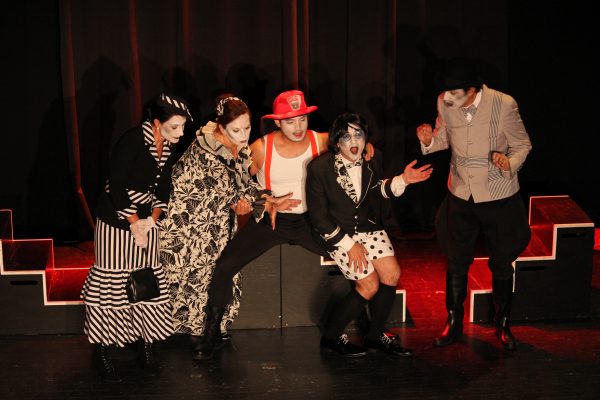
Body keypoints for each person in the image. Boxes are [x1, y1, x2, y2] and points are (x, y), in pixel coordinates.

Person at [194, 90, 366, 360]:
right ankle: (211, 332)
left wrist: (366, 148)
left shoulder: (321, 140)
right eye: (290, 121)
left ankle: (352, 328)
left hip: (312, 222)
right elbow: (235, 182)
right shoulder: (261, 148)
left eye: (302, 119)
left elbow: (355, 144)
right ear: (277, 122)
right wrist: (256, 202)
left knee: (357, 263)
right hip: (272, 221)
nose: (298, 127)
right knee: (225, 265)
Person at [160, 94, 290, 357]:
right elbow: (230, 193)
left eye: (247, 128)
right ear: (220, 127)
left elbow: (242, 185)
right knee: (199, 275)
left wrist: (267, 199)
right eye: (236, 130)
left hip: (214, 220)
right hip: (190, 226)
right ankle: (200, 331)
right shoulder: (205, 151)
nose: (243, 135)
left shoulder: (235, 146)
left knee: (219, 271)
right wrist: (264, 202)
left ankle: (214, 326)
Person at [416, 58, 532, 351]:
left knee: (501, 261)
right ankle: (453, 321)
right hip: (461, 192)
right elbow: (444, 138)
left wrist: (509, 162)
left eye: (455, 93)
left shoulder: (503, 104)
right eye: (446, 92)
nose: (448, 97)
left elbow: (522, 145)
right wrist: (429, 141)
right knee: (456, 258)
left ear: (472, 90)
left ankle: (502, 323)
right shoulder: (444, 101)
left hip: (497, 193)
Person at [81, 92, 192, 381]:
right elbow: (116, 185)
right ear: (156, 123)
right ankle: (102, 350)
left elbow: (164, 187)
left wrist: (152, 220)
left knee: (146, 282)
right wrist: (134, 223)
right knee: (112, 283)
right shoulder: (131, 140)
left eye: (182, 127)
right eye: (174, 127)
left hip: (146, 218)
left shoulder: (168, 145)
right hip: (117, 218)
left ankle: (146, 345)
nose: (180, 133)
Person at [306, 112, 432, 356]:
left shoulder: (372, 160)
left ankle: (374, 338)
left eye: (359, 134)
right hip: (338, 233)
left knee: (392, 273)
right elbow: (319, 218)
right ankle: (331, 338)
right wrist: (349, 245)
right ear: (336, 141)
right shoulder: (319, 168)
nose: (353, 141)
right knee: (369, 284)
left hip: (367, 227)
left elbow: (377, 190)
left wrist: (403, 180)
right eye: (346, 136)